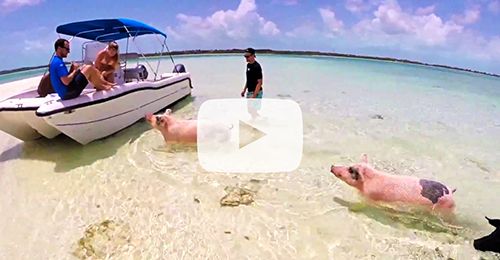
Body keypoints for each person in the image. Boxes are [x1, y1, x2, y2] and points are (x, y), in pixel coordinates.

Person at [49, 38, 115, 100]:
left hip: (65, 91)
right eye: (67, 49)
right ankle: (102, 86)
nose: (68, 52)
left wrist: (72, 70)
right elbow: (66, 82)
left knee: (85, 67)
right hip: (68, 93)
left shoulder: (56, 61)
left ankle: (104, 83)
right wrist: (74, 70)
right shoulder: (58, 63)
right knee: (89, 68)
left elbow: (64, 79)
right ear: (59, 49)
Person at [240, 48, 263, 118]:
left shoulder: (257, 67)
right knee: (250, 110)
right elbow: (249, 79)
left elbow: (260, 82)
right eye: (245, 56)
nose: (246, 58)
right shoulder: (248, 65)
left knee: (252, 109)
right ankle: (258, 119)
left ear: (253, 56)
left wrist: (254, 95)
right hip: (249, 91)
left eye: (248, 56)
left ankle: (255, 121)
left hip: (257, 92)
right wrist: (244, 90)